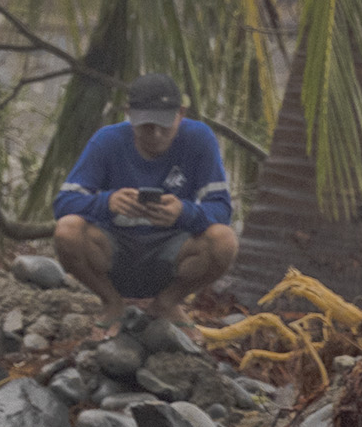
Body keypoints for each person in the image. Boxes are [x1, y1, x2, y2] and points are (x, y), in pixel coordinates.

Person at [49, 75, 240, 321]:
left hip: (173, 252)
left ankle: (167, 302)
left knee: (224, 240)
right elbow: (63, 203)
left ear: (181, 114)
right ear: (129, 114)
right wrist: (107, 203)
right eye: (146, 126)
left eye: (164, 125)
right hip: (114, 250)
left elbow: (221, 209)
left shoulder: (199, 138)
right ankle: (111, 301)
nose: (156, 134)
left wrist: (184, 212)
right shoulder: (107, 140)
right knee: (67, 230)